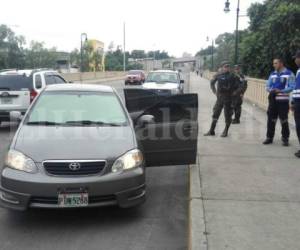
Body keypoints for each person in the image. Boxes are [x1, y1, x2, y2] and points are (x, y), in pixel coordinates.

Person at [263, 58, 295, 146]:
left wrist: (281, 91)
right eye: (273, 63)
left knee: (283, 120)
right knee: (271, 119)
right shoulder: (272, 74)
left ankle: (285, 138)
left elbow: (292, 86)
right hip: (272, 100)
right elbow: (267, 86)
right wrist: (271, 90)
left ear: (281, 63)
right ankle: (269, 137)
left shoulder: (289, 74)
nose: (274, 65)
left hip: (283, 101)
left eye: (275, 63)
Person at [204, 61, 241, 137]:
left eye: (228, 66)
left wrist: (236, 92)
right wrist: (214, 91)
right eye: (225, 66)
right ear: (222, 67)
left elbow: (242, 84)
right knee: (215, 114)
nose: (227, 68)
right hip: (220, 98)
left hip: (229, 98)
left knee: (227, 115)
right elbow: (212, 83)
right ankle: (211, 130)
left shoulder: (233, 75)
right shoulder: (218, 75)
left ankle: (225, 131)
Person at [292, 51, 300, 157]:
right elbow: (296, 88)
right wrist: (293, 101)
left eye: (296, 58)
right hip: (297, 101)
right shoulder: (298, 71)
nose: (295, 60)